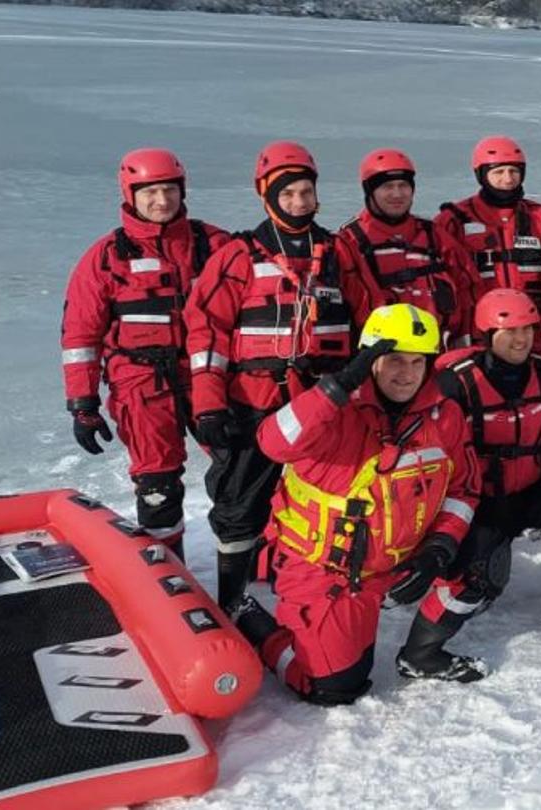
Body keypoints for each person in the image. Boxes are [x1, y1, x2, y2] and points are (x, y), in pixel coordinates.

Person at [226, 304, 479, 702]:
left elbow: (463, 490)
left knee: (483, 559)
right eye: (394, 359)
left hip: (399, 559)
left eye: (418, 361)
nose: (407, 373)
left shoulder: (443, 415)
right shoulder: (333, 411)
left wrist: (439, 549)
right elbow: (273, 442)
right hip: (331, 571)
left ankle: (423, 651)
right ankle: (251, 619)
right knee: (334, 687)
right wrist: (337, 386)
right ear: (370, 359)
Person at [186, 140, 367, 607]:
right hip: (254, 401)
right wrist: (208, 403)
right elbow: (207, 333)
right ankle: (232, 598)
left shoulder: (339, 252)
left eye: (305, 192)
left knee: (330, 492)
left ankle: (317, 586)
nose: (298, 203)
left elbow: (369, 316)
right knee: (239, 502)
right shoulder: (238, 256)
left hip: (322, 400)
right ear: (267, 196)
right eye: (288, 195)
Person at [402, 289, 541, 684]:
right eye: (509, 331)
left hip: (531, 491)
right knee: (476, 582)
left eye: (529, 329)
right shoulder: (455, 385)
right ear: (485, 334)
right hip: (474, 504)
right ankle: (420, 652)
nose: (521, 339)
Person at [62, 148, 230, 559]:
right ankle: (168, 572)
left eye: (169, 190)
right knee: (158, 486)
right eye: (150, 192)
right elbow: (81, 334)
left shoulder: (214, 245)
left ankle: (250, 561)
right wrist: (83, 404)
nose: (162, 201)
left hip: (207, 377)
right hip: (140, 385)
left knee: (241, 468)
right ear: (129, 194)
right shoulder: (105, 258)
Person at [435, 135, 541, 361]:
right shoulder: (453, 222)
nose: (508, 179)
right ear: (481, 174)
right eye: (498, 172)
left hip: (529, 343)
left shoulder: (540, 218)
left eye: (514, 171)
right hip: (474, 347)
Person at [339, 148, 472, 342]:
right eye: (387, 186)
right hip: (383, 355)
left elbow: (467, 288)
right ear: (370, 191)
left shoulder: (435, 236)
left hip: (438, 349)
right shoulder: (349, 242)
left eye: (403, 185)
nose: (397, 194)